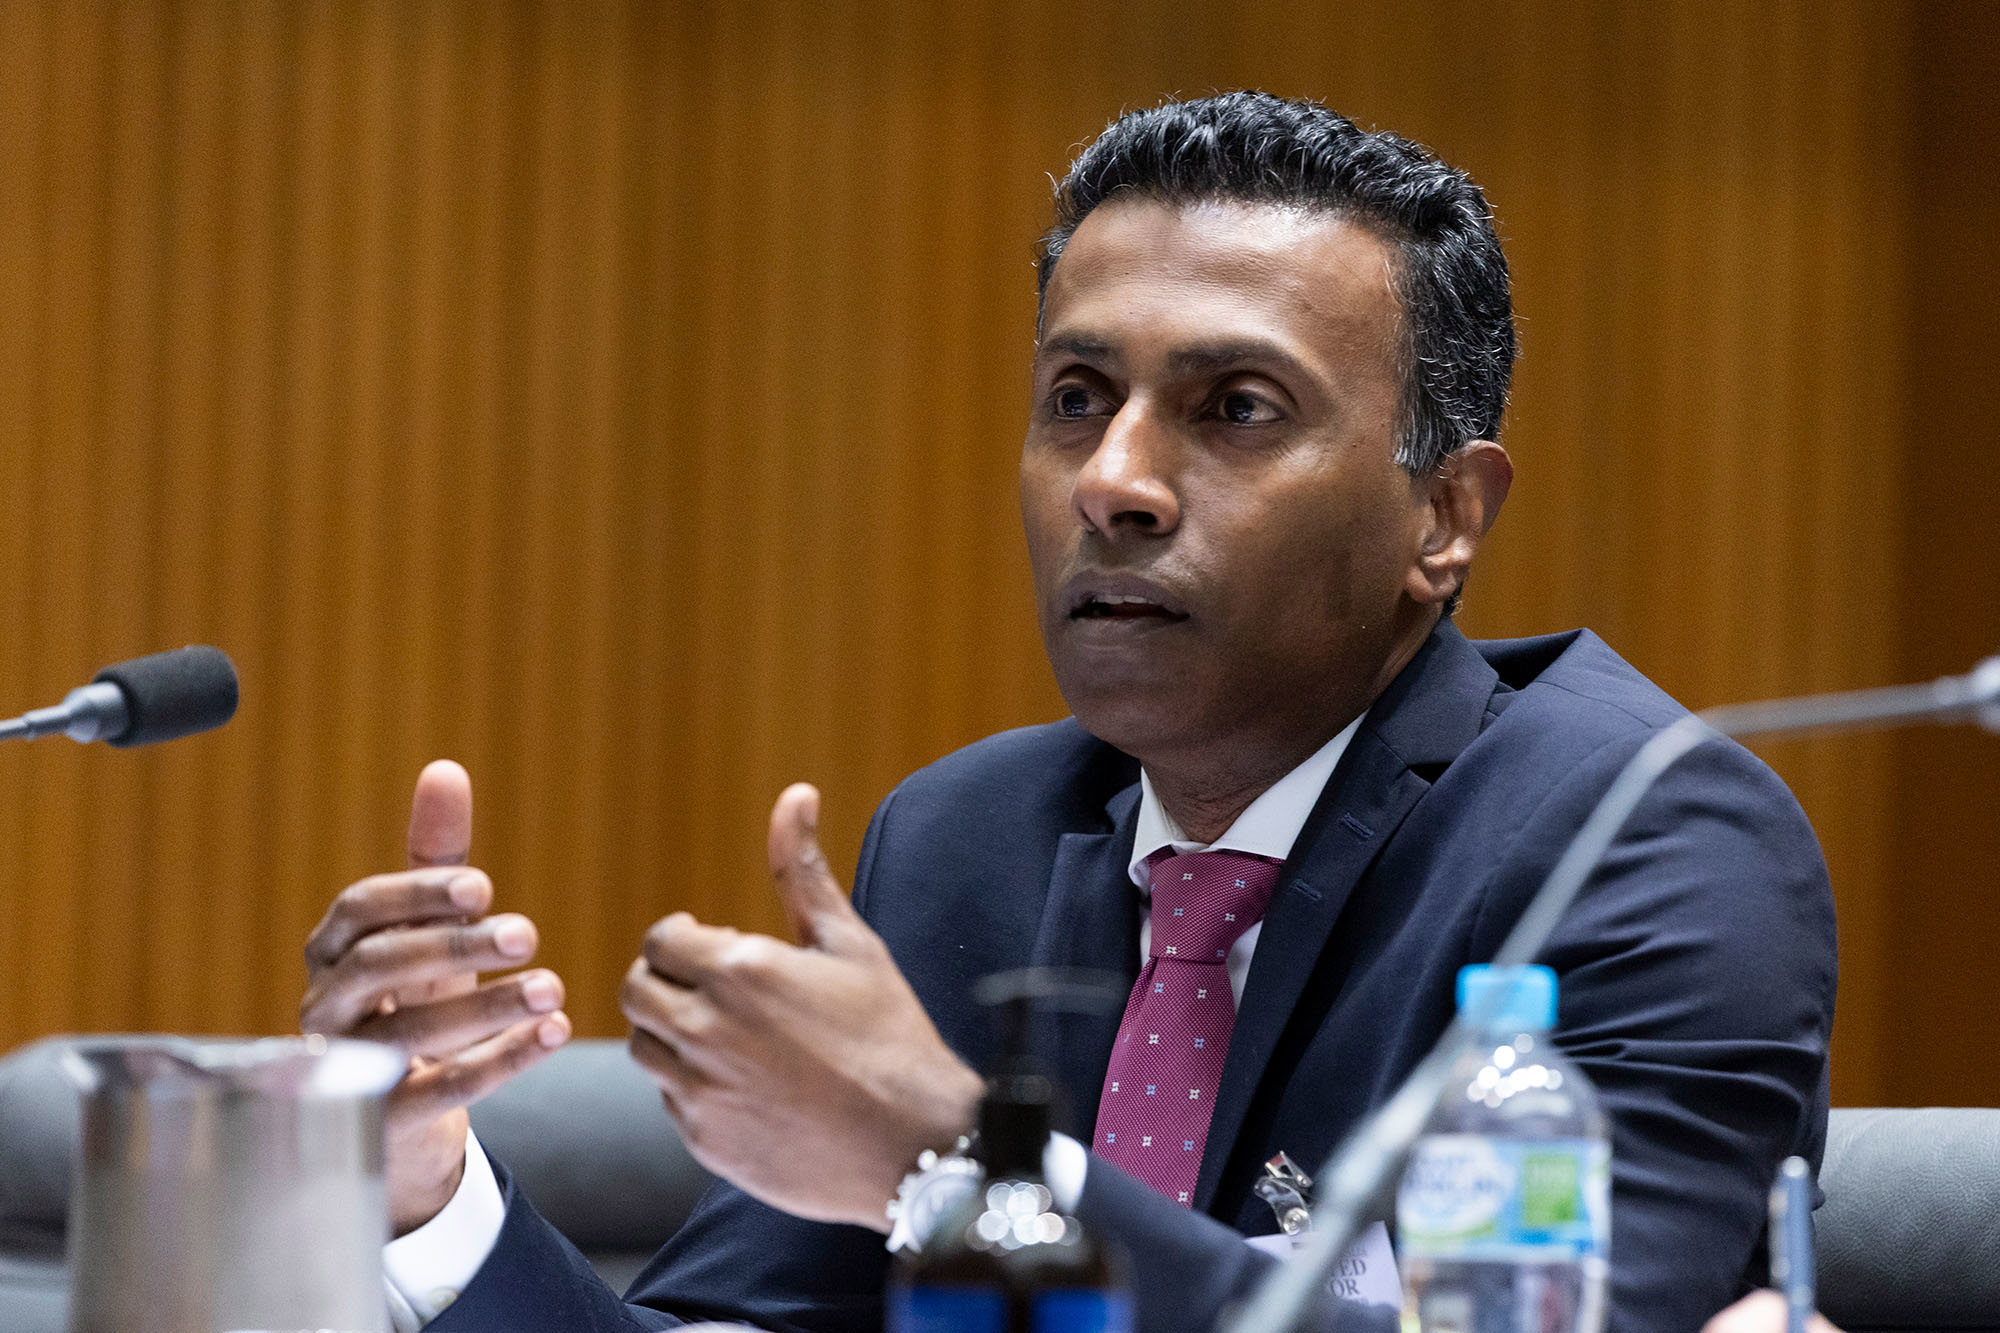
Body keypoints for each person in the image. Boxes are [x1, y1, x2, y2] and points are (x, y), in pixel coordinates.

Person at [301, 93, 1837, 1333]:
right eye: (1078, 397)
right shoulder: (967, 836)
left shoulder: (1646, 841)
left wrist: (957, 1162)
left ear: (1444, 512)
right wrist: (429, 1193)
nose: (1114, 480)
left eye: (1236, 407)